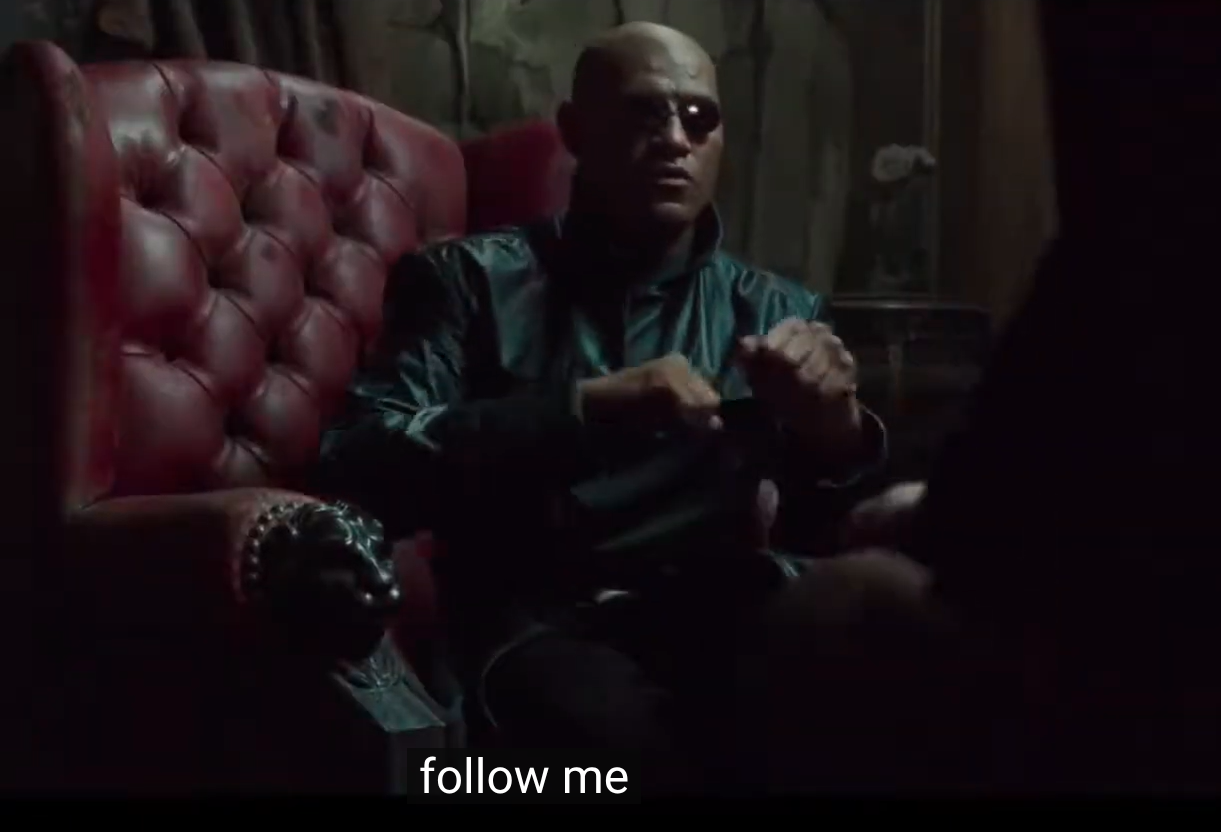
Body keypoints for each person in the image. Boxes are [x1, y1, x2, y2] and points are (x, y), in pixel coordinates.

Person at [316, 22, 886, 791]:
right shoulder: (469, 281)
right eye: (645, 112)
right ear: (576, 131)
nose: (676, 139)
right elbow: (358, 461)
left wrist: (835, 432)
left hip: (719, 611)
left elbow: (836, 532)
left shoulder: (774, 309)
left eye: (698, 118)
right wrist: (581, 409)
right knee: (631, 754)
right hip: (536, 627)